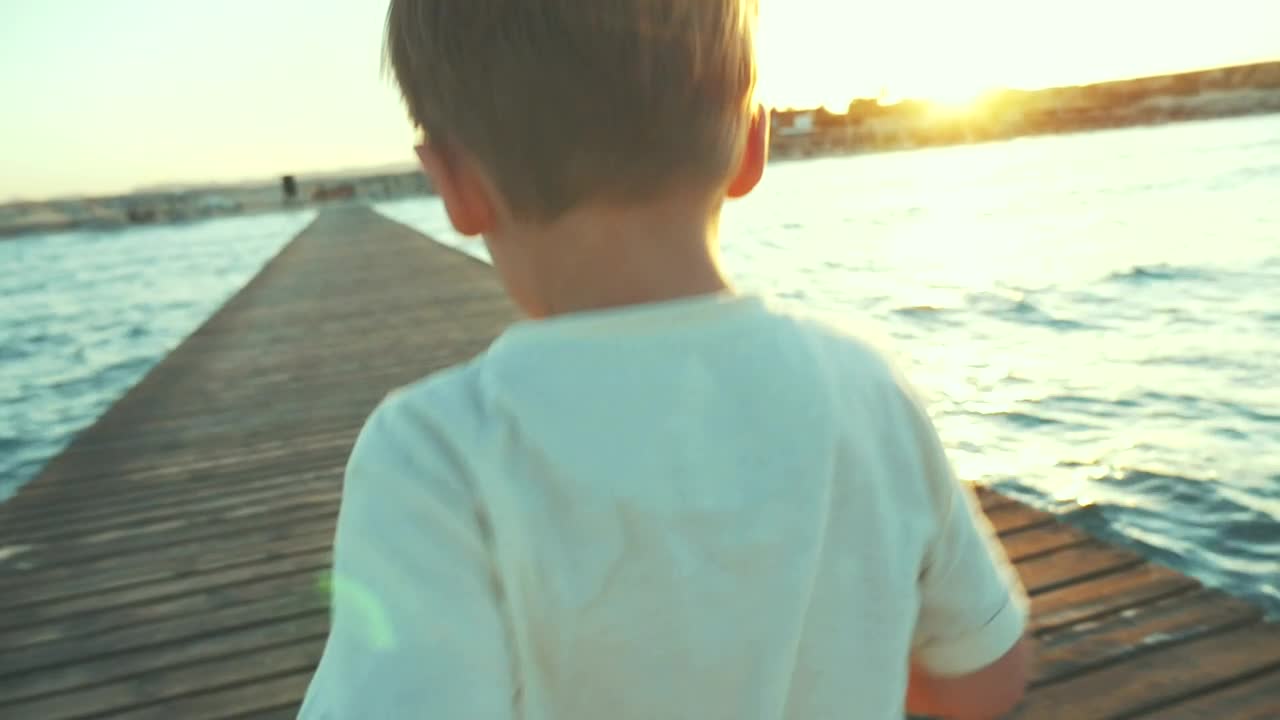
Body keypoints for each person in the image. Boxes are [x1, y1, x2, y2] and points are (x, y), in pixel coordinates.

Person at [299, 1, 1032, 718]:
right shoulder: (865, 385)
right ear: (752, 144)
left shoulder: (435, 454)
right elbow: (986, 679)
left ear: (454, 184)